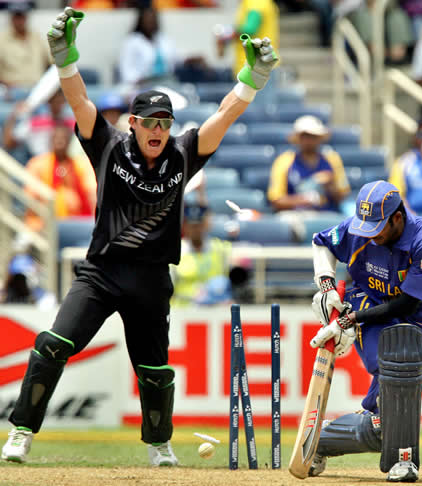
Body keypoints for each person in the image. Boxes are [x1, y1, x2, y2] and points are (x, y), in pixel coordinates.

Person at [1, 6, 278, 466]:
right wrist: (64, 59)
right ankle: (21, 433)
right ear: (132, 123)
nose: (158, 130)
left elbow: (225, 116)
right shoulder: (109, 146)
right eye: (149, 121)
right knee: (52, 345)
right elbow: (79, 102)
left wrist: (252, 78)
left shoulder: (183, 153)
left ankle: (159, 445)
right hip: (102, 272)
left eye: (164, 123)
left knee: (154, 372)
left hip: (151, 279)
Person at [307, 180, 422, 482]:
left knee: (384, 422)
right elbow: (321, 243)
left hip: (409, 315)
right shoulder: (359, 229)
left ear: (398, 217)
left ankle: (321, 439)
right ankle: (404, 461)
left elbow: (407, 303)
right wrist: (328, 285)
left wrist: (348, 321)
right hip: (365, 300)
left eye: (379, 227)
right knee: (394, 359)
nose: (371, 234)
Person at [267, 115, 350, 213]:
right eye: (305, 136)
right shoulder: (284, 161)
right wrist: (308, 200)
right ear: (298, 138)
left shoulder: (332, 159)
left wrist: (330, 185)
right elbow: (276, 200)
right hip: (296, 215)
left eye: (313, 136)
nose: (309, 140)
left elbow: (341, 196)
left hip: (327, 214)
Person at [23, 123, 97, 232]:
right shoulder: (37, 163)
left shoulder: (81, 164)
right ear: (50, 140)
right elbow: (29, 195)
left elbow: (91, 191)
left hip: (77, 222)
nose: (60, 141)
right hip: (44, 222)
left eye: (63, 138)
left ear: (69, 141)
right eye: (56, 138)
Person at [171, 202, 232, 307]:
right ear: (185, 226)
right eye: (192, 226)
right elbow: (170, 290)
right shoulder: (175, 250)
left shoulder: (220, 248)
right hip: (183, 310)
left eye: (200, 225)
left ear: (206, 225)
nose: (196, 230)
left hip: (216, 309)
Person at [2, 89, 75, 163]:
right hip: (38, 167)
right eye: (53, 99)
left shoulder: (73, 124)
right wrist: (14, 115)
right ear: (48, 101)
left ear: (64, 101)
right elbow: (9, 142)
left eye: (59, 100)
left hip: (67, 166)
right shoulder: (34, 123)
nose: (56, 103)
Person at [215, 0, 279, 78]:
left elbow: (250, 30)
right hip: (259, 65)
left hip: (255, 68)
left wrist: (227, 33)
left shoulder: (255, 2)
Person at [117, 6, 179, 85]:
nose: (150, 22)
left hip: (166, 81)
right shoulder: (132, 41)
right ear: (141, 21)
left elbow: (176, 58)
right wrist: (136, 80)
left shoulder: (163, 39)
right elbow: (125, 68)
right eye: (147, 20)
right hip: (142, 84)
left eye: (153, 19)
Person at [0, 1, 51, 91]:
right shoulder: (2, 39)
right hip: (12, 91)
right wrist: (5, 85)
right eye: (17, 16)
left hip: (37, 89)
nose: (19, 20)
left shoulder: (36, 37)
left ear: (26, 17)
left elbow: (51, 62)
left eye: (22, 16)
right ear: (11, 17)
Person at [347, 0, 413, 65]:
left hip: (386, 12)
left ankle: (395, 55)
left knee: (397, 15)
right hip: (355, 12)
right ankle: (378, 56)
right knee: (364, 16)